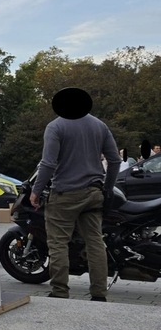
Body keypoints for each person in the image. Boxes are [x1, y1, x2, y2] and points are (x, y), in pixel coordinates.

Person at [30, 87, 120, 302]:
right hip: (94, 193)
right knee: (95, 242)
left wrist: (36, 190)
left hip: (65, 194)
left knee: (58, 243)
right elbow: (115, 160)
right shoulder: (100, 125)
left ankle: (60, 292)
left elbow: (48, 163)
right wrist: (107, 188)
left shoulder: (55, 126)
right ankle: (99, 293)